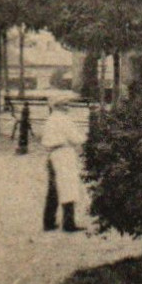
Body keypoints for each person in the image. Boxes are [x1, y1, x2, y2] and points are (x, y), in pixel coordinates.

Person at [41, 100, 86, 233]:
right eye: (66, 105)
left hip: (52, 155)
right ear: (59, 106)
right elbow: (76, 138)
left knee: (53, 190)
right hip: (64, 153)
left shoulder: (51, 119)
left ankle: (48, 221)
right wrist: (85, 138)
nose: (68, 107)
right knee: (68, 188)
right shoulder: (64, 119)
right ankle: (68, 223)